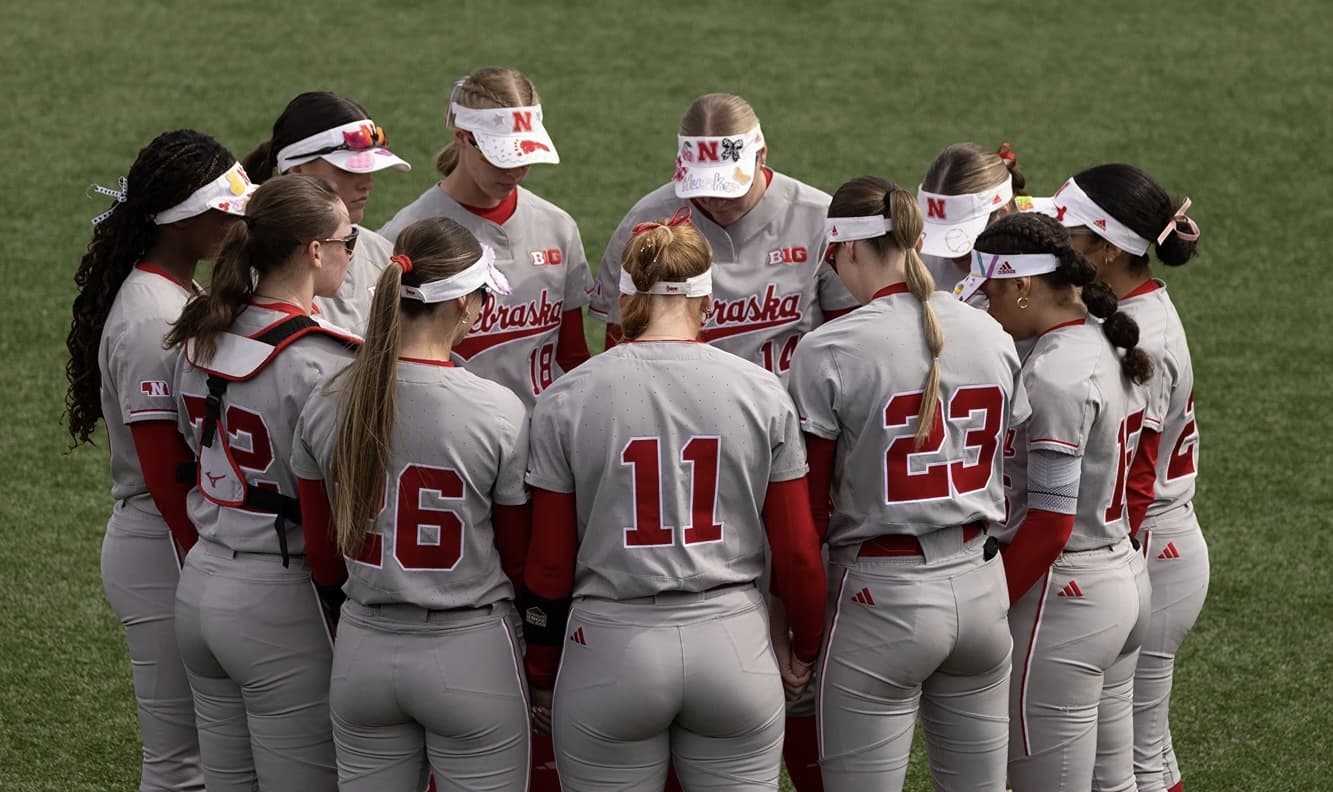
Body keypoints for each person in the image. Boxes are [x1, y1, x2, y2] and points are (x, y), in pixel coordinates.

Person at [522, 210, 827, 791]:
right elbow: (797, 550)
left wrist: (541, 666)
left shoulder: (567, 397)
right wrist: (804, 644)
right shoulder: (762, 390)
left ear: (626, 298)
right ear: (707, 298)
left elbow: (550, 562)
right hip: (732, 640)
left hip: (611, 643)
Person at [786, 177, 1027, 791]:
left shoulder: (828, 348)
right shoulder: (991, 333)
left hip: (880, 598)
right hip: (979, 585)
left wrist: (800, 634)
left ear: (843, 251)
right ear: (919, 238)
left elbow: (808, 514)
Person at [291, 217, 531, 791]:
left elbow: (323, 556)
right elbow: (520, 556)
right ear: (463, 306)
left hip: (363, 647)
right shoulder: (498, 410)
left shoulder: (328, 399)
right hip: (470, 651)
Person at [65, 129, 254, 792]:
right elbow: (165, 469)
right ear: (187, 220)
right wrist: (213, 571)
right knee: (180, 765)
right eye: (228, 213)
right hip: (163, 544)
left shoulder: (173, 292)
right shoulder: (150, 316)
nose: (239, 224)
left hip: (173, 538)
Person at [162, 174, 360, 791]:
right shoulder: (325, 359)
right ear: (313, 250)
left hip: (200, 585)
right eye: (346, 241)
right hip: (281, 597)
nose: (351, 253)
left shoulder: (201, 330)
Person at [957, 212, 1155, 792]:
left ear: (1021, 288)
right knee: (1113, 783)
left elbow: (1048, 524)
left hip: (1065, 598)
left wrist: (986, 609)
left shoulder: (1055, 373)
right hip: (1120, 576)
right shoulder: (1102, 337)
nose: (985, 305)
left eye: (990, 290)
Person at [1053, 165, 1206, 792]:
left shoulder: (1142, 333)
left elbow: (1136, 479)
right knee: (1136, 755)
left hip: (1150, 545)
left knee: (1136, 758)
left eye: (1070, 234)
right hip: (1156, 541)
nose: (1057, 242)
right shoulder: (1129, 307)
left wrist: (1111, 561)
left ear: (1108, 248)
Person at [589, 93, 857, 381]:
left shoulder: (818, 218)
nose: (715, 199)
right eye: (701, 185)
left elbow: (849, 340)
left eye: (728, 185)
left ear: (761, 156)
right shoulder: (645, 220)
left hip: (791, 414)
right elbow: (618, 350)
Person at [378, 66, 593, 405]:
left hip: (544, 441)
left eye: (526, 157)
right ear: (462, 138)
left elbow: (572, 356)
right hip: (453, 436)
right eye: (501, 158)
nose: (516, 172)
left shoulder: (557, 227)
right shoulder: (406, 235)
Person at [243, 91, 410, 334]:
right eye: (349, 171)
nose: (367, 183)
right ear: (297, 169)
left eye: (370, 169)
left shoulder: (384, 256)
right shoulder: (258, 274)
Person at [917, 142, 1026, 292]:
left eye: (961, 231)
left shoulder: (1051, 258)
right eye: (936, 230)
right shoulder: (920, 263)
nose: (951, 255)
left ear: (1002, 215)